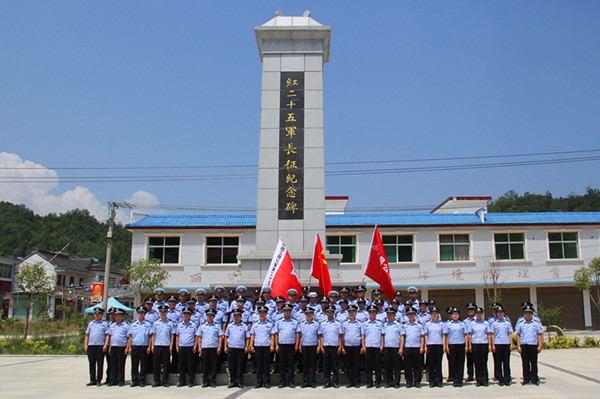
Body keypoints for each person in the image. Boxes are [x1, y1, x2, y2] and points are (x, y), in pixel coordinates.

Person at [515, 305, 543, 386]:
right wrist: (519, 346)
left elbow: (540, 334)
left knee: (534, 363)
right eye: (526, 313)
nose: (528, 315)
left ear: (532, 314)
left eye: (529, 313)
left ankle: (534, 379)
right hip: (524, 345)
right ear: (524, 314)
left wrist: (540, 345)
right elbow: (518, 335)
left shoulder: (536, 323)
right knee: (525, 363)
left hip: (533, 345)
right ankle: (526, 379)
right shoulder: (521, 323)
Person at [274, 303, 300, 388]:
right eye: (285, 311)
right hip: (282, 345)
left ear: (291, 312)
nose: (287, 313)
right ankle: (282, 381)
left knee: (290, 364)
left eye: (288, 311)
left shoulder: (295, 322)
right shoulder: (279, 322)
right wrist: (276, 345)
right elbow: (276, 334)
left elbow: (297, 334)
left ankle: (290, 381)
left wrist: (297, 344)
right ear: (283, 312)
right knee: (282, 364)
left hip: (291, 345)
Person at [196, 308, 223, 388]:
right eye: (208, 316)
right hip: (205, 347)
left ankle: (213, 381)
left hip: (214, 348)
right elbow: (199, 337)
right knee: (205, 366)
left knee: (213, 366)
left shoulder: (217, 326)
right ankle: (205, 381)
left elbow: (220, 336)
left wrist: (219, 347)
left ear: (214, 317)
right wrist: (199, 347)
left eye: (211, 316)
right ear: (206, 317)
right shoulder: (202, 326)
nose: (210, 317)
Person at [126, 306, 152, 387]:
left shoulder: (148, 324)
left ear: (145, 314)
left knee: (143, 365)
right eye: (140, 313)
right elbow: (130, 336)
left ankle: (142, 380)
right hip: (135, 347)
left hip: (144, 347)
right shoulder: (133, 324)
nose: (141, 315)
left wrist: (149, 347)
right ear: (137, 314)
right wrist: (129, 347)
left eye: (143, 313)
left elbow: (150, 336)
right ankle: (134, 380)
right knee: (134, 364)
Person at [224, 309, 250, 388]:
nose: (236, 318)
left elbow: (247, 338)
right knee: (231, 366)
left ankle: (239, 382)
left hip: (240, 348)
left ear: (241, 317)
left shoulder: (244, 326)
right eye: (235, 316)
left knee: (239, 366)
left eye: (238, 316)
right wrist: (225, 346)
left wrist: (246, 347)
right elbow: (226, 336)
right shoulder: (230, 325)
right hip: (231, 348)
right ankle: (232, 381)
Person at [249, 305, 274, 388]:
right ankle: (259, 382)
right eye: (260, 312)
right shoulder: (255, 324)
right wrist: (251, 345)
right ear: (258, 314)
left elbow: (272, 335)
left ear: (266, 314)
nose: (262, 314)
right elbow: (252, 335)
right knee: (258, 365)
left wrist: (272, 345)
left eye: (264, 312)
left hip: (266, 346)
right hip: (258, 346)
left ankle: (267, 382)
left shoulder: (270, 324)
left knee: (266, 365)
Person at [150, 304, 175, 387]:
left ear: (167, 312)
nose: (163, 313)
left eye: (164, 312)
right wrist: (152, 345)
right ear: (159, 313)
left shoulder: (170, 323)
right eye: (161, 312)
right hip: (157, 345)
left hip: (166, 345)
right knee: (156, 364)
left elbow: (172, 335)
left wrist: (171, 346)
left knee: (166, 364)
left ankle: (165, 381)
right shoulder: (156, 323)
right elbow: (153, 334)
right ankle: (156, 381)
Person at [444, 307, 469, 387]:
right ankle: (455, 380)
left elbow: (465, 335)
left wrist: (466, 345)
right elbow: (446, 336)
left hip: (461, 345)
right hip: (452, 345)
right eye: (453, 314)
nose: (455, 315)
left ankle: (460, 380)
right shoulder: (448, 324)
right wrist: (446, 346)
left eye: (456, 314)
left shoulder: (462, 324)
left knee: (460, 363)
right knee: (453, 363)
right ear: (451, 315)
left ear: (459, 315)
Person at [84, 307, 109, 386]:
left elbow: (107, 335)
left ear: (101, 315)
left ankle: (98, 380)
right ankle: (92, 380)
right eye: (95, 314)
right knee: (91, 363)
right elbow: (87, 335)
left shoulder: (105, 323)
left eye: (98, 314)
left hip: (100, 346)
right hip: (91, 345)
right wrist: (85, 345)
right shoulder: (91, 323)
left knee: (100, 363)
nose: (97, 315)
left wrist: (105, 344)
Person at [320, 305, 342, 388]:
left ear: (334, 313)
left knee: (335, 366)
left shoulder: (338, 324)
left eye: (331, 312)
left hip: (335, 346)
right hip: (326, 346)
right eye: (328, 312)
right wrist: (321, 346)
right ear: (326, 313)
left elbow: (340, 336)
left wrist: (340, 346)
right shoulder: (323, 324)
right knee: (326, 366)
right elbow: (321, 336)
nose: (330, 314)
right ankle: (327, 382)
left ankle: (336, 382)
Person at [490, 305, 513, 386]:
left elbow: (510, 333)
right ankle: (500, 379)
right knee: (498, 362)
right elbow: (492, 335)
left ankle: (507, 378)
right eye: (498, 313)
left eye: (501, 312)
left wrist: (511, 344)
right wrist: (492, 345)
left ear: (504, 313)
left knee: (506, 362)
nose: (500, 314)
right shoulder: (494, 323)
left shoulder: (507, 323)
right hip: (497, 344)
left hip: (506, 344)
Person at [402, 307, 425, 388]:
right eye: (409, 314)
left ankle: (417, 382)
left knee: (417, 366)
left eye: (412, 314)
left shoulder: (419, 326)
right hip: (407, 347)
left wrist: (422, 347)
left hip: (417, 347)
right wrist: (402, 348)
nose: (411, 316)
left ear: (415, 315)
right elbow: (403, 337)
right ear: (407, 316)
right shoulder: (404, 326)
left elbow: (422, 337)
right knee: (407, 366)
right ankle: (409, 382)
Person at [361, 305, 383, 388]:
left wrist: (382, 345)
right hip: (368, 347)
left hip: (377, 346)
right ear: (368, 314)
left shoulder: (380, 324)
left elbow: (382, 335)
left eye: (374, 312)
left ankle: (378, 381)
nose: (372, 314)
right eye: (370, 312)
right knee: (368, 366)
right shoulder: (365, 324)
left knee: (378, 365)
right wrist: (363, 346)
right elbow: (363, 336)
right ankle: (369, 381)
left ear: (376, 314)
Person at [175, 307, 198, 387]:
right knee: (182, 365)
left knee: (190, 365)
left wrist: (195, 346)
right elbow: (177, 336)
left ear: (190, 315)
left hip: (190, 347)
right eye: (184, 314)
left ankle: (191, 381)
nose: (186, 315)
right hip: (182, 346)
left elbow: (196, 336)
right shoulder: (179, 325)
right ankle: (181, 381)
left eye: (187, 314)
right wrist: (177, 346)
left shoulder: (193, 325)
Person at [424, 307, 446, 388]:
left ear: (438, 314)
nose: (434, 315)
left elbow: (443, 335)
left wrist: (444, 345)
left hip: (439, 345)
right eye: (433, 313)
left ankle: (439, 381)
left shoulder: (442, 324)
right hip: (430, 345)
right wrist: (425, 346)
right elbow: (426, 335)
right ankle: (432, 381)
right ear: (431, 314)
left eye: (436, 313)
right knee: (431, 364)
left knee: (438, 364)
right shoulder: (427, 324)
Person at [299, 307, 320, 388]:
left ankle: (312, 381)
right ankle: (305, 381)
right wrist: (299, 346)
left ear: (313, 314)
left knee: (312, 364)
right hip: (304, 345)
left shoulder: (316, 324)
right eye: (307, 313)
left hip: (313, 345)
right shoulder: (302, 324)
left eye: (310, 313)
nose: (308, 315)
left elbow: (319, 336)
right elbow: (300, 336)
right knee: (305, 364)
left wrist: (319, 346)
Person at [469, 307, 491, 387]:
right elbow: (470, 334)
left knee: (484, 362)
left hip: (484, 344)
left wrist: (490, 345)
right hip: (475, 344)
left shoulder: (486, 323)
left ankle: (485, 380)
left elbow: (489, 334)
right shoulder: (472, 323)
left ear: (482, 314)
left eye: (480, 313)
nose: (479, 315)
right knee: (477, 363)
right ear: (475, 314)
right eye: (477, 313)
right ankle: (478, 380)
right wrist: (470, 345)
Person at [107, 308, 129, 386]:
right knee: (113, 364)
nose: (118, 318)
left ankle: (120, 380)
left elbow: (129, 337)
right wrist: (109, 347)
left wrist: (127, 347)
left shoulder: (126, 325)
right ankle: (113, 380)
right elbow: (110, 336)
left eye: (119, 316)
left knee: (121, 364)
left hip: (122, 347)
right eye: (116, 316)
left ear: (123, 316)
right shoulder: (112, 325)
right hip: (113, 347)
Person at [341, 305, 362, 388]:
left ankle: (356, 381)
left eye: (353, 312)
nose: (351, 313)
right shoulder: (345, 324)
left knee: (356, 364)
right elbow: (342, 336)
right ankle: (350, 381)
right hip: (347, 346)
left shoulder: (359, 323)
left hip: (357, 346)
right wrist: (342, 347)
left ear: (356, 313)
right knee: (348, 364)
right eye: (350, 312)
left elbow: (362, 335)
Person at [382, 308, 403, 388]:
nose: (389, 316)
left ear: (394, 315)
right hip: (387, 347)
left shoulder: (398, 325)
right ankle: (389, 382)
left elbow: (402, 337)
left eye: (391, 314)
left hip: (396, 347)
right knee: (388, 366)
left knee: (396, 366)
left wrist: (401, 348)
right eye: (388, 314)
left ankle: (396, 382)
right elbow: (383, 336)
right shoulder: (385, 325)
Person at [464, 302, 477, 382]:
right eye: (469, 310)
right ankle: (470, 375)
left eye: (472, 309)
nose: (470, 311)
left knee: (478, 360)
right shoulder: (465, 321)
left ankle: (479, 375)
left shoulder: (478, 320)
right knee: (469, 360)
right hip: (467, 342)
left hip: (476, 342)